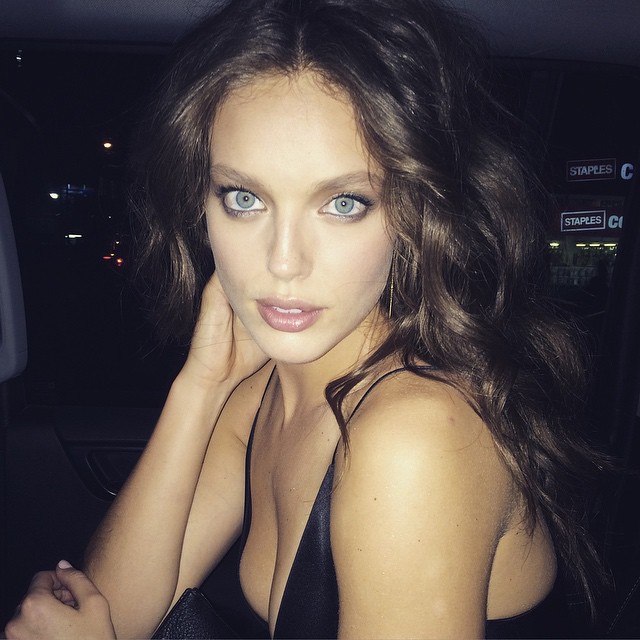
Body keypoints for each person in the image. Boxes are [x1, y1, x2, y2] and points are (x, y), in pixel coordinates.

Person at [5, 0, 606, 637]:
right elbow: (113, 614)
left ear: (416, 212)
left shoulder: (416, 435)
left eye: (343, 203)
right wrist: (200, 386)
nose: (283, 263)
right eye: (244, 198)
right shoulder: (261, 391)